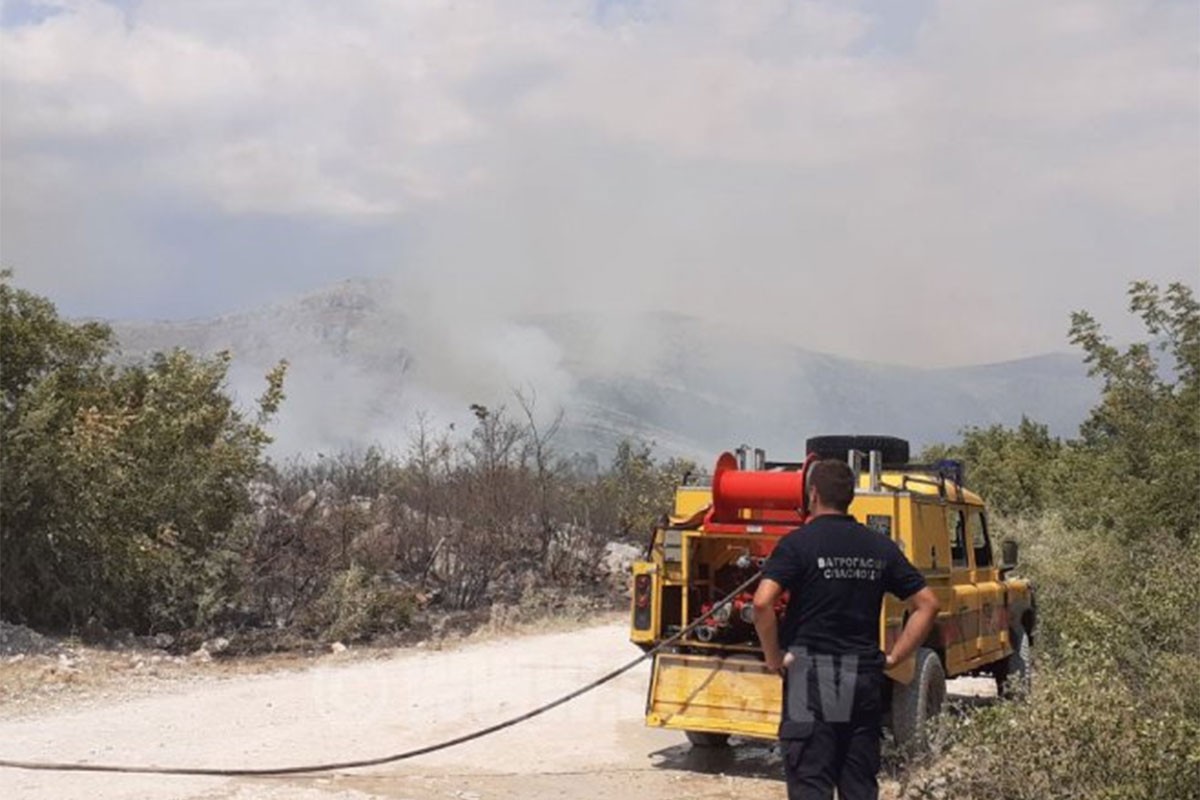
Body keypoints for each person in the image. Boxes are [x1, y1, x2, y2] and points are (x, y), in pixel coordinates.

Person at [753, 459, 939, 800]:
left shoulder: (798, 544)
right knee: (858, 787)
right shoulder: (880, 547)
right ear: (850, 497)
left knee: (811, 785)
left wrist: (774, 656)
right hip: (862, 678)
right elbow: (928, 604)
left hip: (809, 678)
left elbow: (763, 603)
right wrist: (896, 656)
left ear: (813, 494)